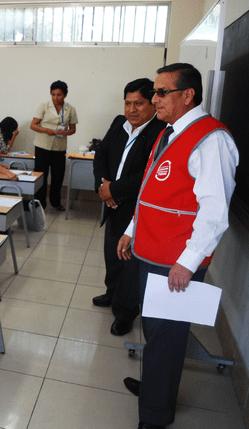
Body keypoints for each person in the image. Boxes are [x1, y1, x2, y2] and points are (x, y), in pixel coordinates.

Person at [117, 63, 239, 429]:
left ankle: (155, 416)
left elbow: (215, 211)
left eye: (161, 93)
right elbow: (151, 192)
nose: (154, 100)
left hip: (174, 262)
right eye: (154, 92)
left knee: (168, 338)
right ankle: (157, 387)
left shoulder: (211, 139)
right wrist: (130, 230)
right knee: (156, 332)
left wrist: (187, 263)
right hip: (149, 252)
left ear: (187, 95)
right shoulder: (169, 133)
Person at [91, 78, 166, 337]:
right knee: (112, 256)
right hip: (112, 205)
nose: (132, 109)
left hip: (136, 210)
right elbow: (101, 155)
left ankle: (125, 313)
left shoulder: (160, 132)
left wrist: (114, 190)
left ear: (152, 104)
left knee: (129, 263)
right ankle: (112, 295)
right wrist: (104, 186)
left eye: (139, 103)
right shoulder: (118, 124)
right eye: (127, 103)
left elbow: (148, 174)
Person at [30, 80, 78, 211]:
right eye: (53, 94)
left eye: (59, 95)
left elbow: (73, 129)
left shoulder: (71, 109)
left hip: (59, 147)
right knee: (41, 176)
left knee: (58, 176)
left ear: (65, 95)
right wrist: (46, 130)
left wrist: (65, 132)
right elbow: (33, 125)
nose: (56, 98)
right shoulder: (44, 106)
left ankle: (56, 202)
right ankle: (39, 203)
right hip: (42, 146)